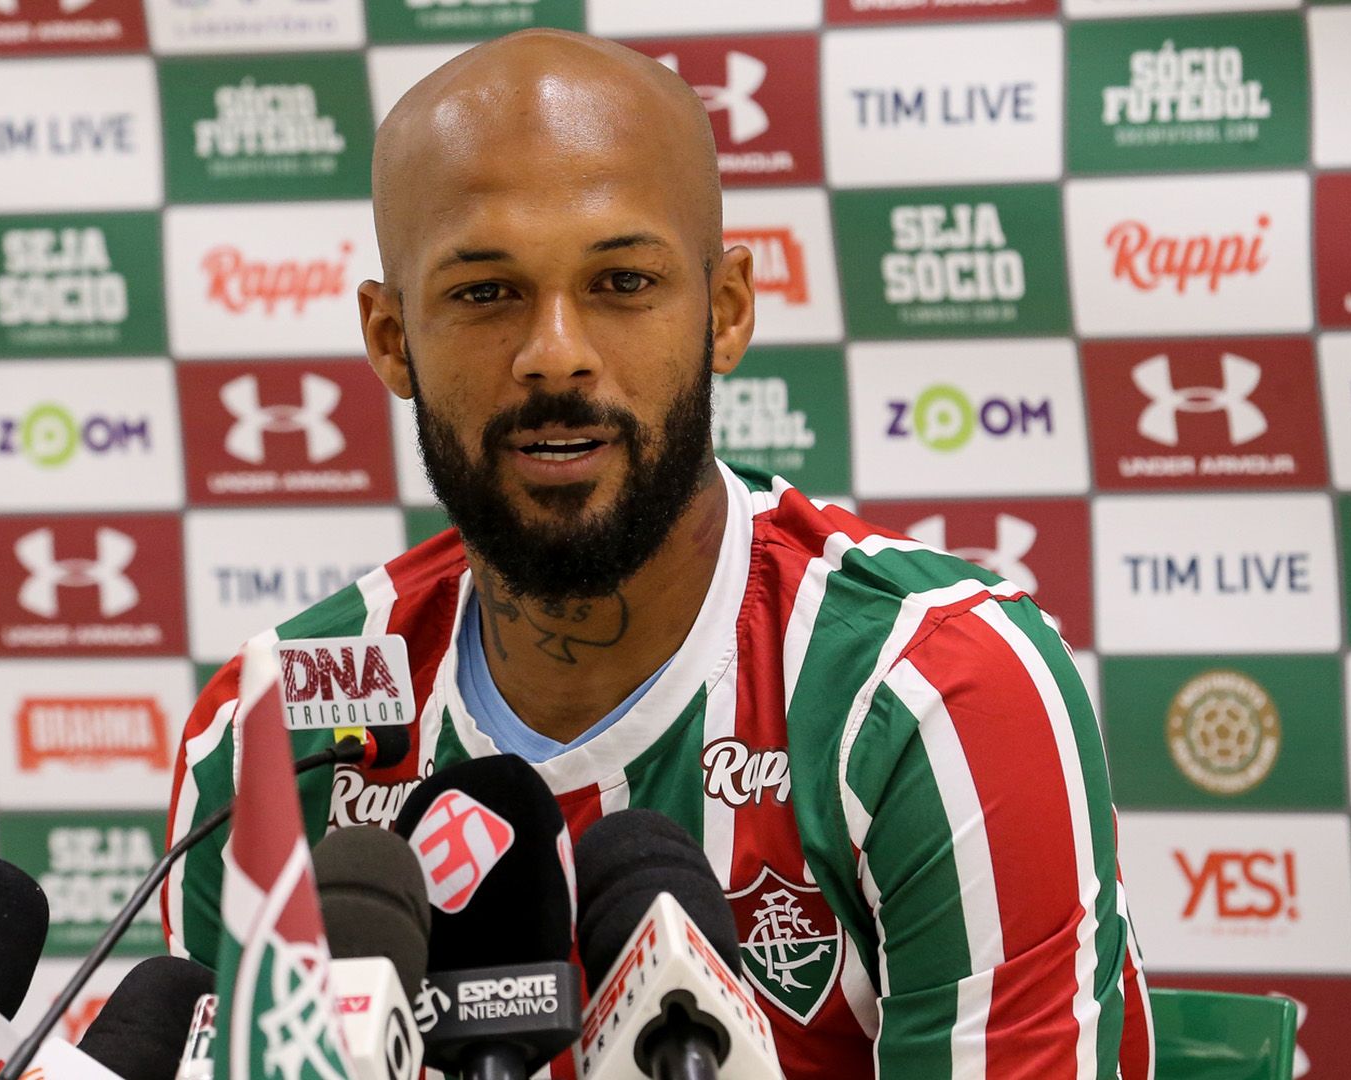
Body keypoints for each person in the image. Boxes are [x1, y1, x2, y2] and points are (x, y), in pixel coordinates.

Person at [162, 28, 1152, 1080]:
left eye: (623, 281)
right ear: (391, 338)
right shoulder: (274, 737)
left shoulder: (934, 692)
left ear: (726, 313)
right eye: (485, 292)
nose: (555, 355)